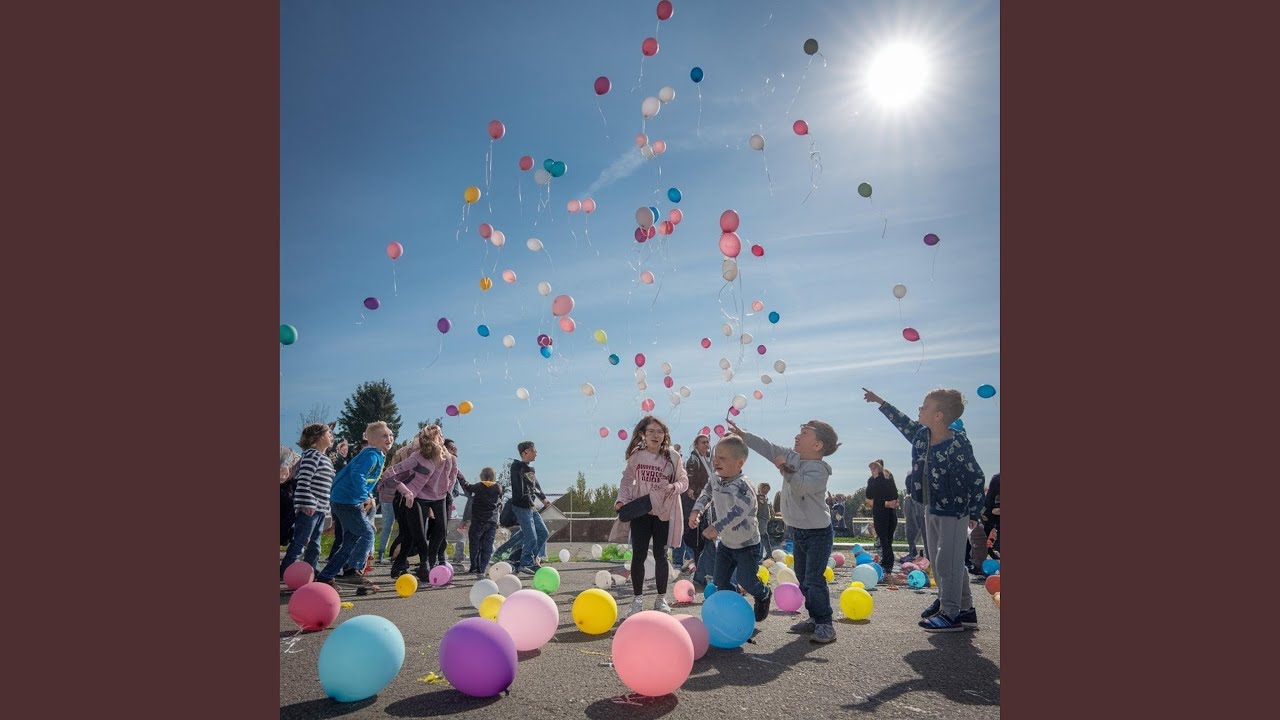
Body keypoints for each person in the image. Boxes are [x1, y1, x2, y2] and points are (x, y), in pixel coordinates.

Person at [863, 387, 986, 633]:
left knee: (947, 563)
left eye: (925, 406)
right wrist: (880, 402)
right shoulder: (921, 435)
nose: (919, 409)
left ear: (938, 415)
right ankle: (965, 609)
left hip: (954, 510)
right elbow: (903, 422)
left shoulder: (958, 442)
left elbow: (976, 476)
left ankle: (951, 614)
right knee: (943, 561)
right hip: (930, 507)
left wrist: (973, 511)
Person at [728, 416, 841, 644]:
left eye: (805, 433)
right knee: (803, 577)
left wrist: (782, 467)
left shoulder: (820, 470)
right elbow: (769, 447)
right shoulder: (791, 456)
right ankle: (814, 617)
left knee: (814, 579)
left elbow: (800, 486)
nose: (797, 436)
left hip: (818, 533)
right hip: (798, 531)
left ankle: (825, 623)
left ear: (817, 445)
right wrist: (744, 436)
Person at [689, 435, 772, 622]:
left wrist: (717, 527)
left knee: (747, 581)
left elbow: (738, 513)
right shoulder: (715, 478)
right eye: (715, 457)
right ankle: (734, 605)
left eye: (722, 458)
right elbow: (706, 494)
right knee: (720, 581)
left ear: (739, 463)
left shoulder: (744, 487)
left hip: (747, 545)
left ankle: (763, 594)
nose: (716, 461)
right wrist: (697, 510)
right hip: (726, 544)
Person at [614, 416, 688, 615]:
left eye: (660, 431)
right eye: (651, 431)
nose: (656, 435)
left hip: (663, 512)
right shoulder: (637, 456)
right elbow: (626, 480)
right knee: (638, 555)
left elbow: (684, 481)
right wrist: (621, 500)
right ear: (643, 435)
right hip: (642, 510)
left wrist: (674, 487)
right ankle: (637, 600)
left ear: (665, 435)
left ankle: (661, 599)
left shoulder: (672, 457)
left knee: (661, 555)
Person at [315, 422, 394, 589]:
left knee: (350, 541)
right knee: (367, 532)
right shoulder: (371, 455)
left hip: (345, 500)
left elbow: (366, 478)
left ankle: (326, 576)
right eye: (384, 436)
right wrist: (364, 496)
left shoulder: (377, 454)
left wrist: (368, 494)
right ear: (372, 440)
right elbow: (357, 474)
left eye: (390, 435)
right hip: (347, 501)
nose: (389, 438)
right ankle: (352, 570)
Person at [381, 424, 457, 582]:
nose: (442, 437)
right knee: (417, 534)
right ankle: (423, 565)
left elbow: (453, 477)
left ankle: (430, 562)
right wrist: (405, 491)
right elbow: (390, 473)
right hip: (417, 497)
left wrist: (446, 492)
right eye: (439, 434)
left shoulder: (449, 458)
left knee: (441, 531)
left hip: (439, 498)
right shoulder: (417, 456)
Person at [279, 424, 335, 578]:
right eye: (328, 433)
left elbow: (325, 487)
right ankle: (285, 571)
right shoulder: (311, 455)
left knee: (315, 543)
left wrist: (327, 510)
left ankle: (311, 570)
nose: (331, 436)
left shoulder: (324, 458)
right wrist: (308, 503)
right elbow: (303, 481)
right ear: (318, 437)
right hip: (310, 508)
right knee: (301, 541)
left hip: (320, 508)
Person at [509, 441, 550, 575]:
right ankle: (525, 563)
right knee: (531, 536)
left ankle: (528, 559)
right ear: (525, 452)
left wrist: (544, 499)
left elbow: (535, 486)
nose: (536, 453)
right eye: (533, 450)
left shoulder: (530, 469)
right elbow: (522, 484)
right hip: (521, 506)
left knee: (543, 533)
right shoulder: (517, 466)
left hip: (530, 507)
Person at [681, 434, 715, 586]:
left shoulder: (707, 460)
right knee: (697, 539)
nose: (706, 445)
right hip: (696, 503)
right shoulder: (694, 459)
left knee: (702, 538)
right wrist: (691, 489)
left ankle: (702, 570)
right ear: (696, 444)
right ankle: (699, 572)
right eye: (703, 442)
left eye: (708, 442)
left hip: (706, 503)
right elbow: (690, 476)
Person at [458, 467, 503, 578]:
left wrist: (458, 474)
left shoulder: (477, 487)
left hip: (478, 522)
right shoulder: (498, 488)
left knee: (475, 545)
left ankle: (474, 567)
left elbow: (466, 486)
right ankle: (482, 569)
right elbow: (499, 506)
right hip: (491, 522)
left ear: (482, 476)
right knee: (487, 547)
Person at [865, 459, 900, 579]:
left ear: (880, 468)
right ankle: (887, 563)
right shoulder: (872, 480)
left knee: (888, 539)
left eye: (874, 467)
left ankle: (887, 563)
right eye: (871, 468)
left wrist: (885, 502)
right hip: (880, 512)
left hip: (889, 512)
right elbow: (869, 495)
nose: (872, 470)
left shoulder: (887, 477)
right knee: (884, 539)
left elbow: (893, 495)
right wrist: (884, 503)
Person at [756, 482, 774, 559]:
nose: (765, 491)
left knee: (763, 537)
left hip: (764, 520)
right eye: (764, 489)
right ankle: (765, 555)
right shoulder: (758, 497)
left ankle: (765, 554)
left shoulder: (764, 498)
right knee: (763, 537)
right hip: (760, 520)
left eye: (767, 490)